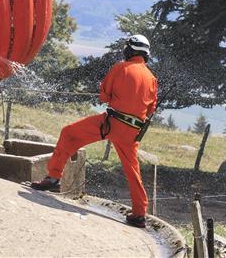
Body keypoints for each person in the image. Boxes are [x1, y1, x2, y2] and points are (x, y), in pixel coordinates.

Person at [31, 34, 157, 228]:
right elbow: (150, 109)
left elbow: (104, 96)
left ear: (130, 50)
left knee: (68, 133)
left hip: (111, 123)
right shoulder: (151, 78)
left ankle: (54, 177)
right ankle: (139, 214)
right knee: (133, 171)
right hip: (132, 131)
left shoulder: (119, 68)